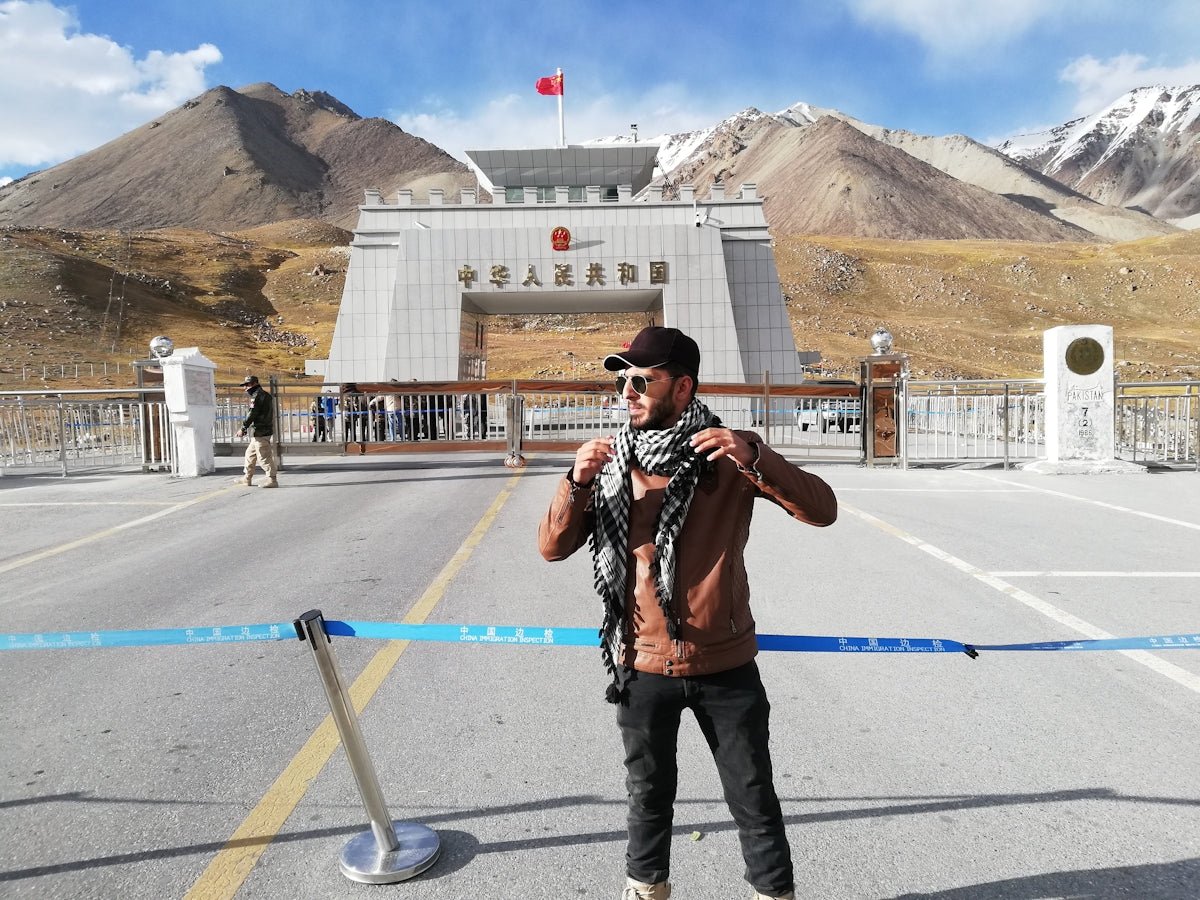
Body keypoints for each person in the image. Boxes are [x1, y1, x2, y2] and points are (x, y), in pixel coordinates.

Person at [538, 327, 837, 900]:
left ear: (682, 386)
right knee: (647, 796)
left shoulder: (729, 454)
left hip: (724, 662)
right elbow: (552, 548)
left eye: (641, 380)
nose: (627, 392)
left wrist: (755, 457)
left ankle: (774, 892)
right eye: (621, 381)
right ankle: (645, 889)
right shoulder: (610, 462)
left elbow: (821, 509)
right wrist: (575, 483)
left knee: (753, 795)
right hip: (640, 662)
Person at [235, 375, 278, 488]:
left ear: (254, 384)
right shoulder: (266, 395)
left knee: (264, 457)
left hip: (261, 432)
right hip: (260, 431)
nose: (245, 388)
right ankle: (247, 478)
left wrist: (243, 428)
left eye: (247, 385)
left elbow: (252, 414)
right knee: (250, 454)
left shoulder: (257, 396)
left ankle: (272, 479)